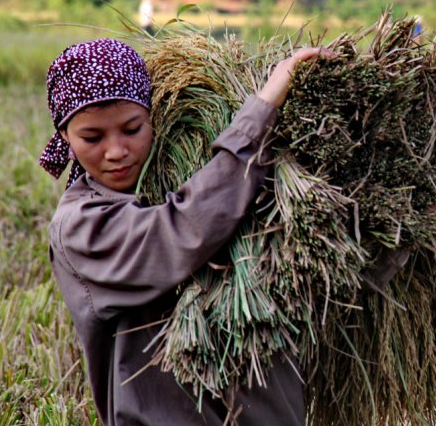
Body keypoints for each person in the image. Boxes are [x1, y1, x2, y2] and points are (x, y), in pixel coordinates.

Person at [39, 37, 331, 425]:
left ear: (153, 117)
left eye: (132, 129)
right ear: (65, 138)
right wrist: (262, 112)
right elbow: (180, 231)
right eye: (92, 138)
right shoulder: (82, 227)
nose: (116, 151)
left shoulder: (211, 182)